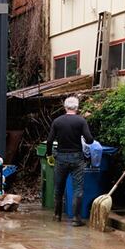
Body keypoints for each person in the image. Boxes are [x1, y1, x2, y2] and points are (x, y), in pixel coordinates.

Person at [46, 95, 95, 226]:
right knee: (78, 189)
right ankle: (76, 219)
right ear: (77, 108)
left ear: (65, 107)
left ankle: (57, 216)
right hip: (77, 158)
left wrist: (49, 154)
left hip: (60, 157)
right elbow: (89, 140)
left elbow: (50, 140)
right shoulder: (81, 121)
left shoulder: (57, 121)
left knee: (58, 188)